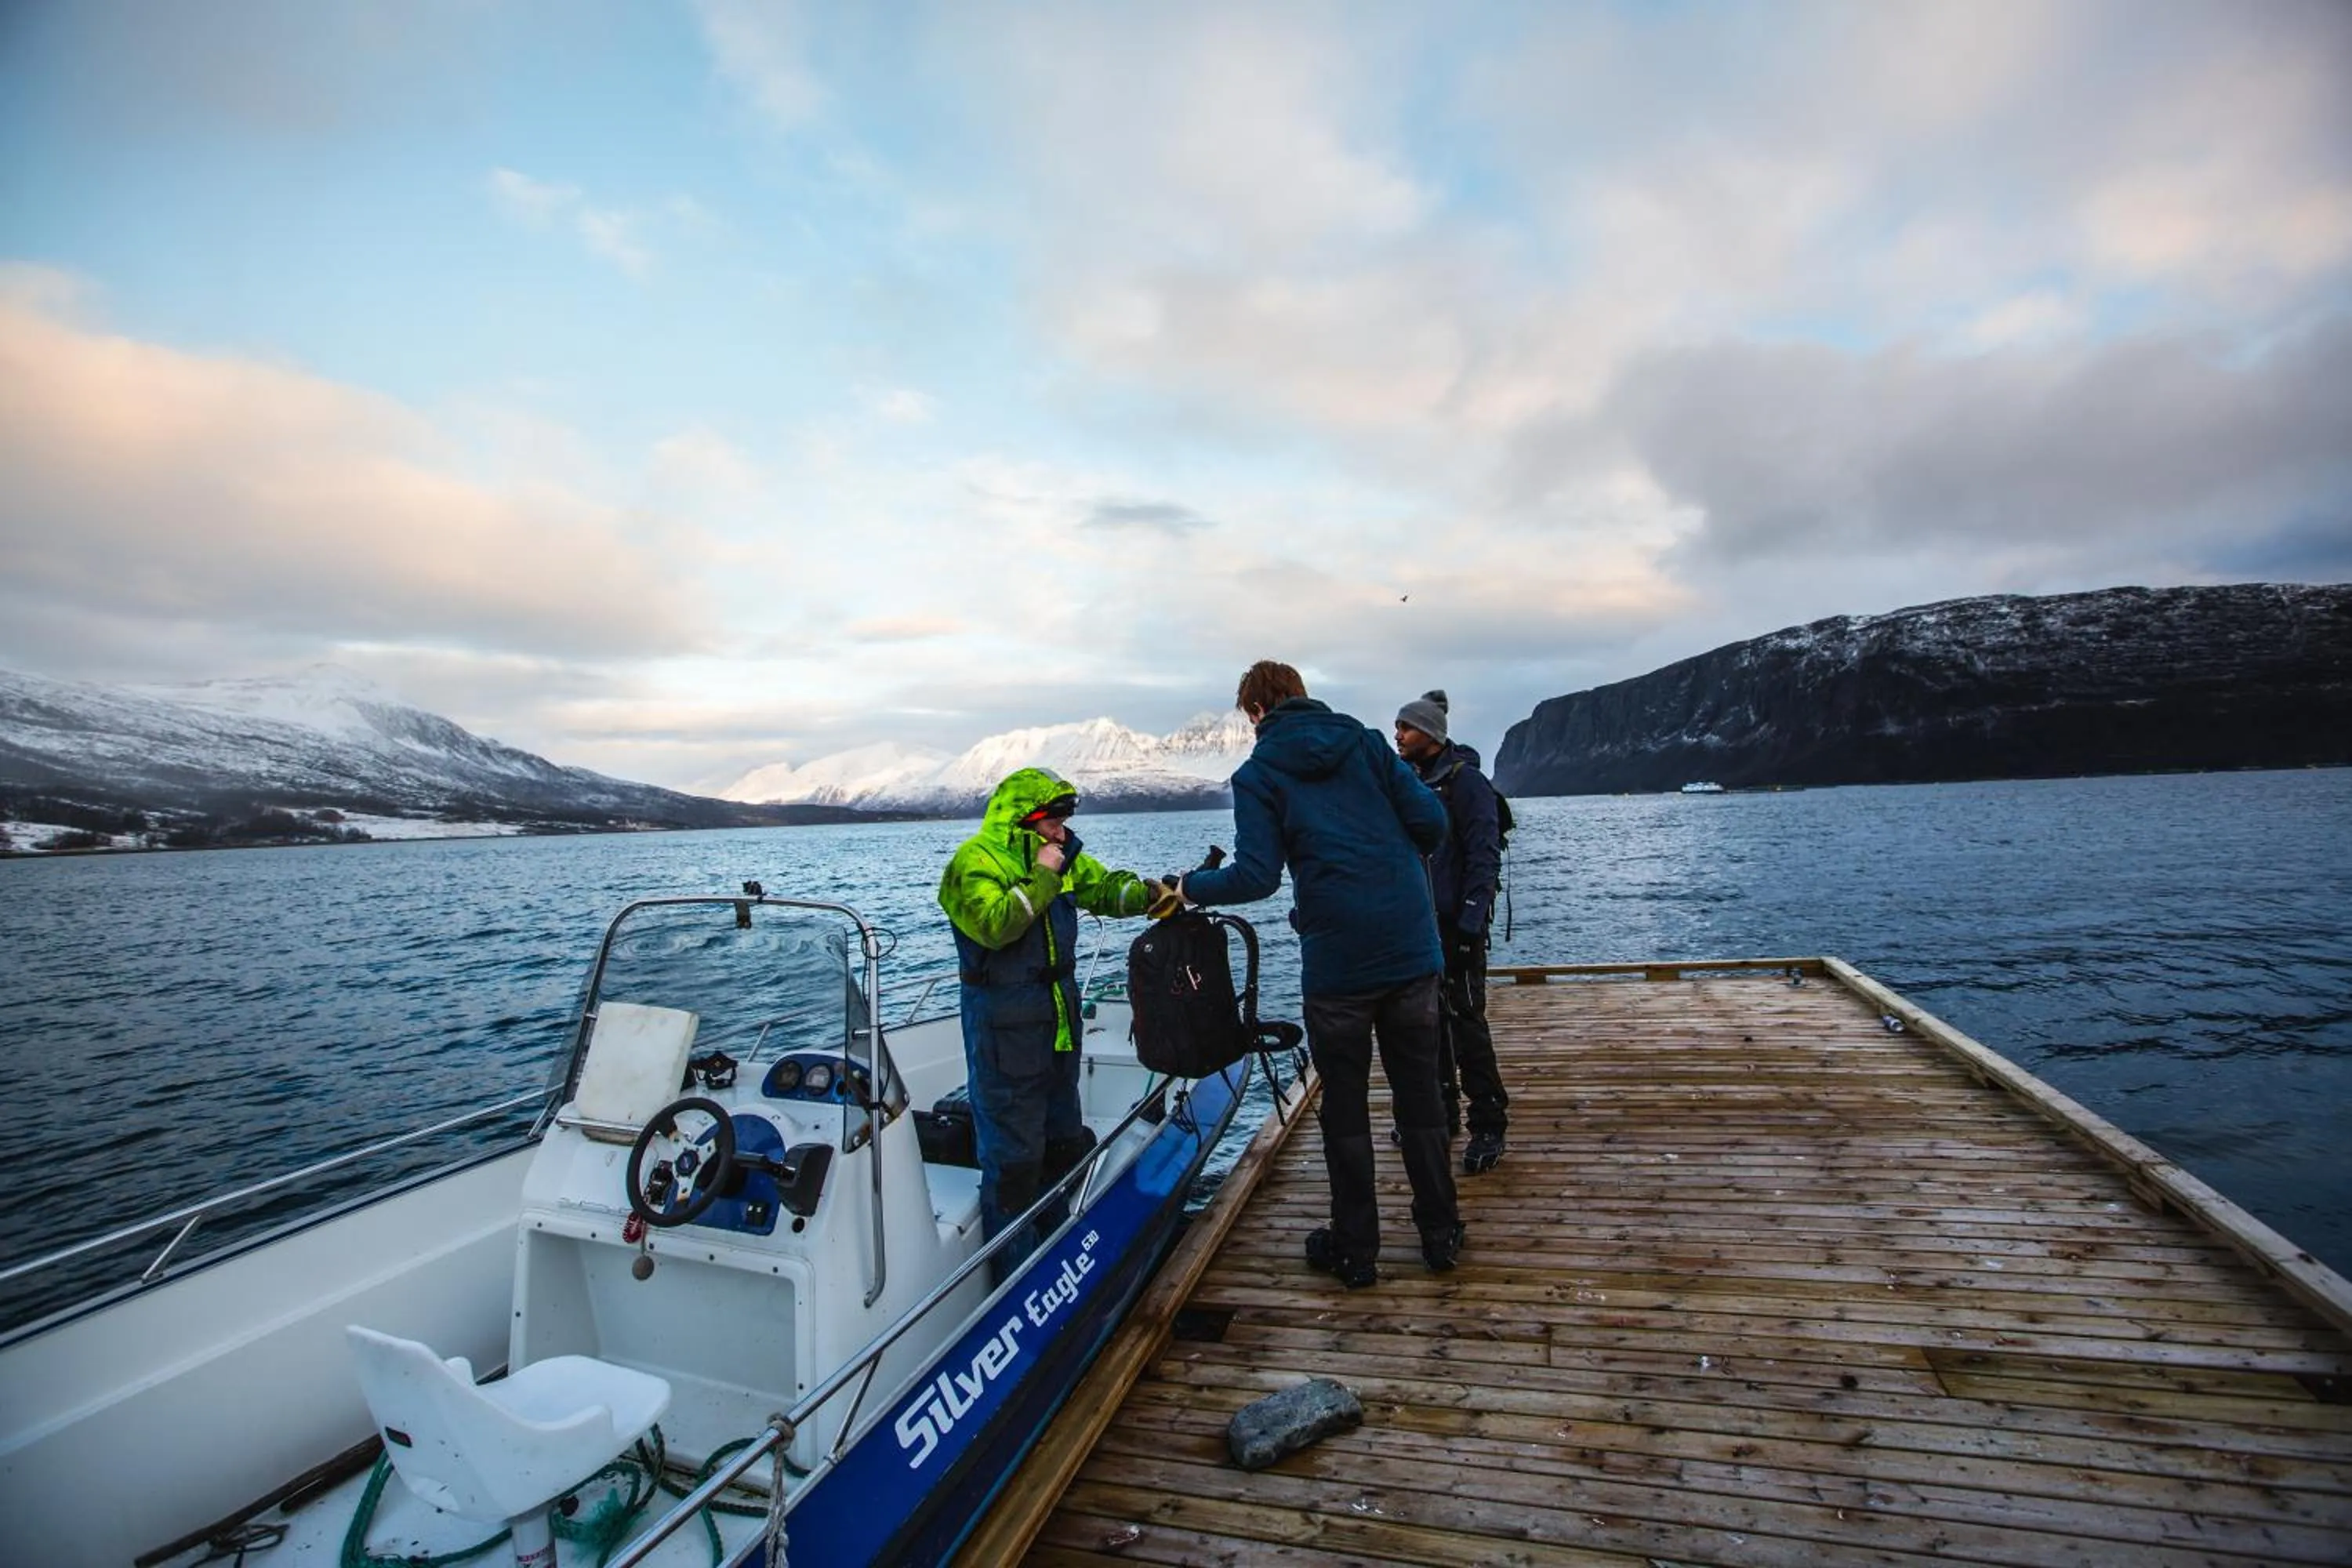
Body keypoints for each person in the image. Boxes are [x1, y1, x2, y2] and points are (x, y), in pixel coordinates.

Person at [1177, 660, 1462, 1287]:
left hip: (1339, 966)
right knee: (1421, 1102)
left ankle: (1356, 1251)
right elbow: (1432, 824)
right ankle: (1441, 1235)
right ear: (1301, 696)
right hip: (1412, 950)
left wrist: (1186, 888)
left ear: (1255, 713)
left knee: (1347, 1110)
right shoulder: (1363, 742)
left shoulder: (1257, 775)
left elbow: (1255, 877)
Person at [938, 768, 1173, 1280]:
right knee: (1013, 1160)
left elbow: (1101, 887)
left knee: (1063, 1139)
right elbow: (994, 926)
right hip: (1003, 1031)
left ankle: (1060, 1244)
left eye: (1065, 823)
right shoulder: (971, 864)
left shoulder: (1063, 858)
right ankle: (1018, 1274)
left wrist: (1149, 895)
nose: (1062, 833)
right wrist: (1043, 876)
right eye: (1053, 824)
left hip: (1059, 1023)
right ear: (1026, 822)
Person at [1395, 689, 1510, 1174]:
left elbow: (1484, 858)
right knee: (1426, 1025)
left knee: (1466, 1024)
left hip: (1455, 926)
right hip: (1417, 928)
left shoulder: (1468, 785)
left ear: (1432, 734)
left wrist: (1467, 928)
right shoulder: (1409, 783)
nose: (1397, 736)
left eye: (1405, 728)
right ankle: (1441, 1115)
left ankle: (1488, 1123)